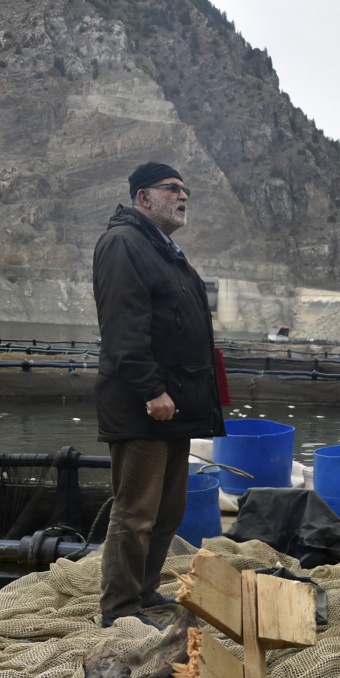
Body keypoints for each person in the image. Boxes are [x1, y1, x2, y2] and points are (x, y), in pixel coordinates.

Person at [92, 161, 225, 628]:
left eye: (186, 190)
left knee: (168, 510)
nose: (182, 196)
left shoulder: (163, 250)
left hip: (176, 408)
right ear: (143, 197)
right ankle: (120, 609)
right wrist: (151, 390)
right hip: (144, 407)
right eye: (172, 189)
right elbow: (123, 331)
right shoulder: (123, 244)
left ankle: (144, 593)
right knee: (136, 512)